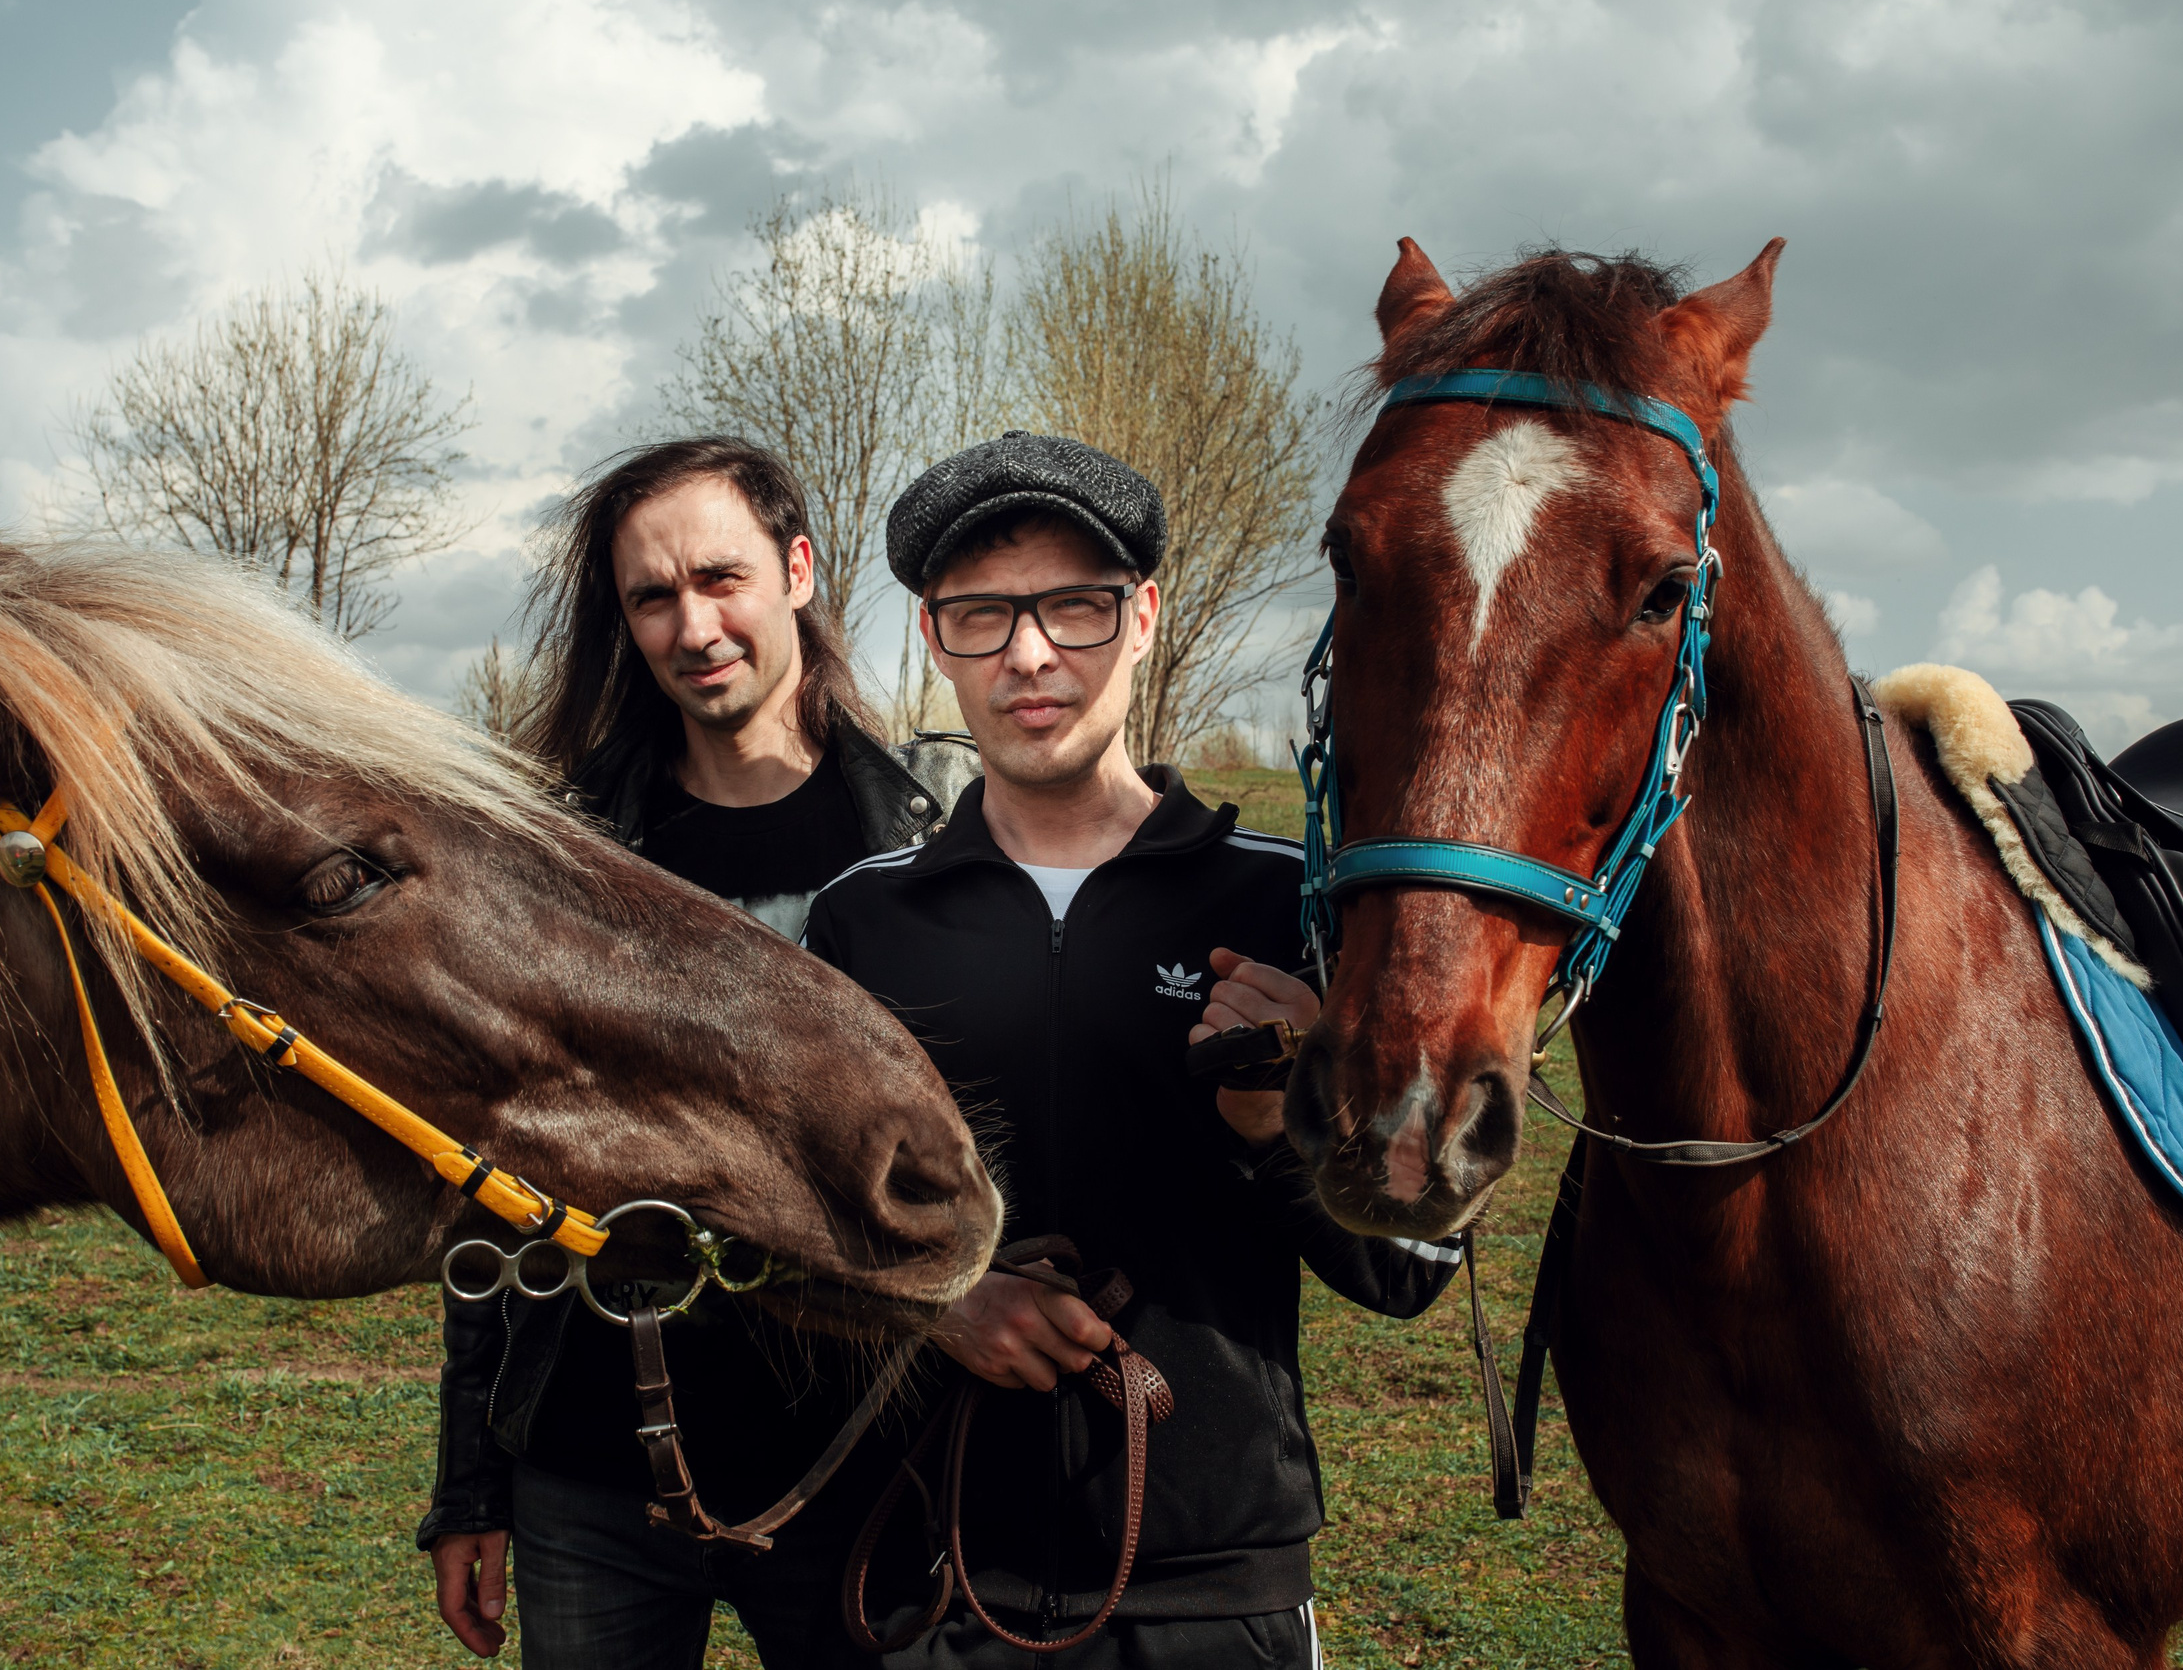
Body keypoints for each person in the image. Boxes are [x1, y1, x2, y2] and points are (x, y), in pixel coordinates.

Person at [804, 432, 1460, 1668]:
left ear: (1143, 617)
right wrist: (935, 1306)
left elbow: (1412, 1264)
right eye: (982, 616)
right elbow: (793, 1233)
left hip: (1222, 1593)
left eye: (1074, 607)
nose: (1029, 654)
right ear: (935, 639)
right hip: (941, 1585)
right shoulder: (863, 920)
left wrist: (1294, 1126)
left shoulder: (1293, 906)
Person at [420, 436, 977, 1669]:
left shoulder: (937, 828)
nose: (693, 627)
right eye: (653, 597)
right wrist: (470, 1485)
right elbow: (490, 1187)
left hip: (864, 1474)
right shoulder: (556, 853)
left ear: (797, 571)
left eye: (721, 579)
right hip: (590, 1483)